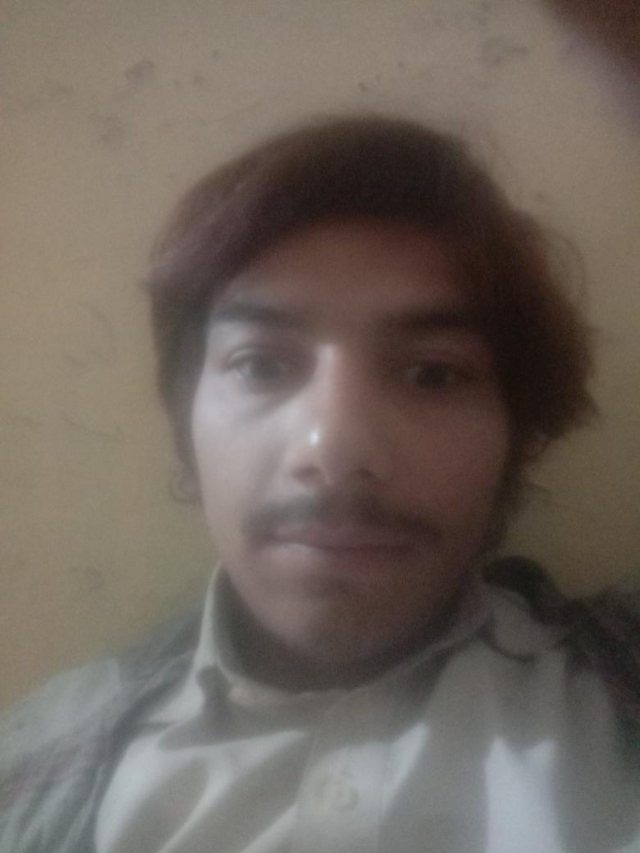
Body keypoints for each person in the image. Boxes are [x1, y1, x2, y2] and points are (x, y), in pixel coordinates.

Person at [1, 116, 638, 853]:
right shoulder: (26, 773)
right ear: (184, 422)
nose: (334, 451)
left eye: (432, 373)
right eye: (261, 365)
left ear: (513, 435)